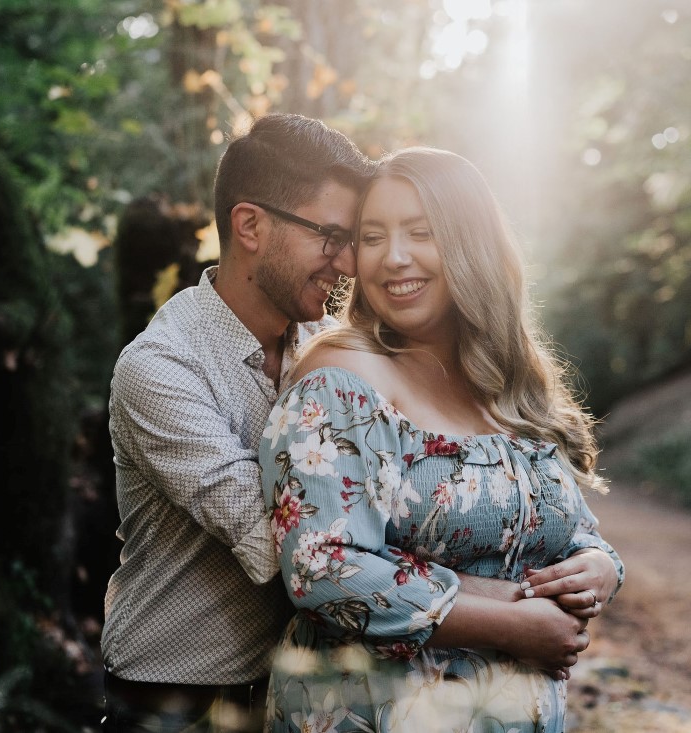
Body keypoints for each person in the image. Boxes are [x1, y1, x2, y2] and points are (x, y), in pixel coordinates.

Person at [259, 147, 624, 732]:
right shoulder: (344, 376)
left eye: (420, 232)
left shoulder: (504, 385)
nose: (394, 258)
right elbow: (322, 567)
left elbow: (572, 527)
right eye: (373, 237)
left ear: (470, 243)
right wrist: (513, 622)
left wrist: (599, 567)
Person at [101, 113, 375, 733]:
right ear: (249, 225)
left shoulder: (331, 347)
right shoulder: (160, 367)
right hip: (176, 697)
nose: (349, 264)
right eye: (331, 236)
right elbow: (283, 543)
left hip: (301, 691)